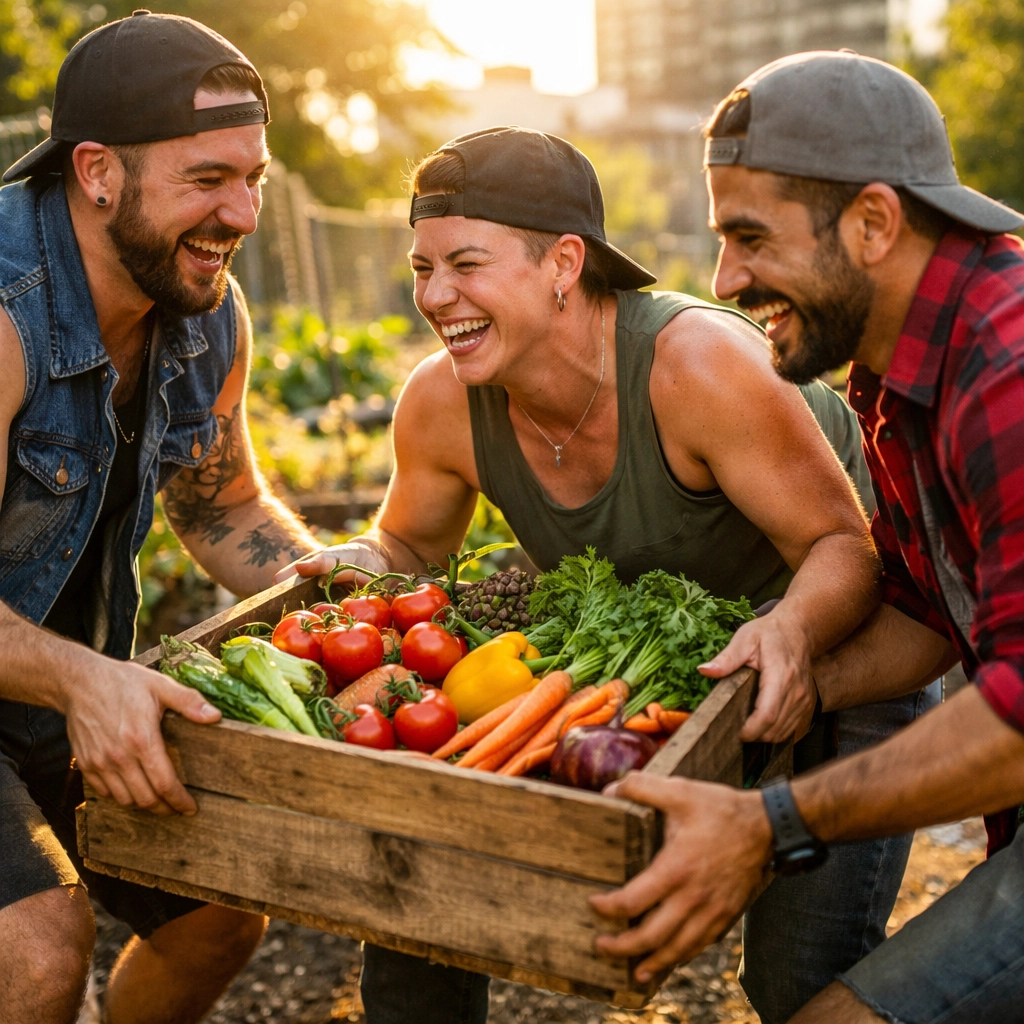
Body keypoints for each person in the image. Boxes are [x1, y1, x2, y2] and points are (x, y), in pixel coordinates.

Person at [278, 126, 920, 1024]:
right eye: (423, 268)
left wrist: (790, 635)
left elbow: (845, 550)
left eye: (465, 263)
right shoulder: (442, 400)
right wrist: (360, 562)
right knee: (420, 905)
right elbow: (408, 545)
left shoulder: (695, 367)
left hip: (845, 642)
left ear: (564, 263)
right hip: (670, 669)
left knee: (801, 979)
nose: (435, 295)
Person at [590, 50, 1024, 1024]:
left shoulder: (1009, 367)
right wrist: (790, 676)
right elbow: (924, 610)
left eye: (749, 237)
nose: (722, 278)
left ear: (872, 223)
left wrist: (765, 821)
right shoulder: (890, 370)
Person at [0, 13, 321, 1024]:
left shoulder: (204, 312)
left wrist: (336, 584)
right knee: (40, 956)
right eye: (208, 179)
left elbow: (221, 503)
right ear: (98, 172)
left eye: (254, 178)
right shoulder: (5, 314)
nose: (245, 213)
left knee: (217, 919)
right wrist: (87, 678)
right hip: (59, 675)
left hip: (50, 681)